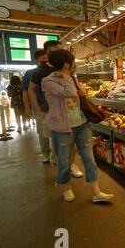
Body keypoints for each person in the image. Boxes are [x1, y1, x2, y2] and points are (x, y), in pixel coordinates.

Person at [42, 50, 114, 203]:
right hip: (62, 127)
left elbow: (81, 94)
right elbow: (70, 92)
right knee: (64, 160)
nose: (75, 65)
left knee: (89, 158)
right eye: (72, 62)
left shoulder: (70, 77)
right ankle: (66, 187)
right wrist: (68, 77)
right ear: (66, 64)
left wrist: (69, 77)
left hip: (82, 124)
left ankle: (96, 192)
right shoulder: (48, 81)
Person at [28, 41, 83, 178]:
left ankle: (71, 165)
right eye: (55, 51)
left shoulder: (66, 67)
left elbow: (73, 88)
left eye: (61, 50)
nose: (59, 54)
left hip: (71, 111)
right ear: (47, 53)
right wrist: (36, 108)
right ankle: (62, 169)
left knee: (72, 143)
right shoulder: (40, 71)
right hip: (51, 111)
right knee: (58, 144)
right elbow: (30, 89)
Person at [23, 50, 50, 161]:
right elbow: (25, 91)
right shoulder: (30, 73)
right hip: (39, 107)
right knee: (43, 133)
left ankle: (55, 154)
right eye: (42, 59)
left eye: (46, 58)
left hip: (54, 107)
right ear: (37, 60)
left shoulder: (52, 71)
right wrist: (27, 108)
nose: (44, 61)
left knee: (55, 132)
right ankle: (46, 154)